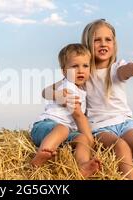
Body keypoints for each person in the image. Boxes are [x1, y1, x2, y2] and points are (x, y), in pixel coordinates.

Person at [42, 19, 133, 180]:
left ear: (114, 44)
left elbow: (125, 71)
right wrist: (59, 96)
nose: (103, 44)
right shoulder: (83, 72)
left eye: (108, 39)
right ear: (88, 44)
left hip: (125, 123)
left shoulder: (116, 68)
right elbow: (45, 91)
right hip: (99, 127)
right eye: (97, 40)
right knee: (121, 147)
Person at [31, 43, 101, 178]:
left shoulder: (77, 87)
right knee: (65, 130)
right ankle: (41, 156)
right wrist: (91, 140)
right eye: (75, 66)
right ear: (64, 71)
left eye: (85, 66)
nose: (80, 70)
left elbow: (45, 91)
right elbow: (78, 116)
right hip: (45, 127)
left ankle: (83, 165)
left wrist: (85, 139)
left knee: (80, 139)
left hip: (65, 133)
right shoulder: (69, 87)